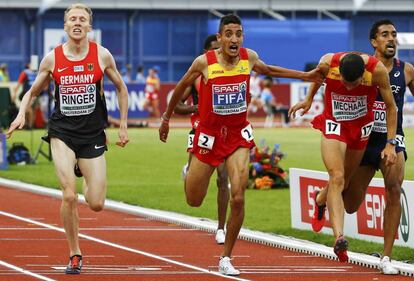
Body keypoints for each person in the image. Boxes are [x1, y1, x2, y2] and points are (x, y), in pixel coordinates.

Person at [159, 14, 322, 276]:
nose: (234, 39)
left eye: (239, 34)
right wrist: (166, 119)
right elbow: (180, 87)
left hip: (237, 135)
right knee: (194, 200)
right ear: (220, 38)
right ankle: (189, 173)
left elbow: (271, 71)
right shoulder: (204, 62)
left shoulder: (250, 57)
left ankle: (226, 257)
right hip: (208, 136)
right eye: (229, 34)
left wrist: (306, 75)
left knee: (238, 196)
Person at [6, 3, 129, 274]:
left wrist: (123, 126)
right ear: (65, 26)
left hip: (92, 133)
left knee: (96, 203)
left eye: (82, 19)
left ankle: (81, 167)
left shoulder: (102, 55)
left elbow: (121, 88)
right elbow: (32, 91)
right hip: (62, 132)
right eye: (72, 19)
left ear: (88, 26)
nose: (76, 23)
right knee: (69, 195)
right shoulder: (52, 59)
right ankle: (75, 253)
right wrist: (21, 114)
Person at [289, 52, 397, 263]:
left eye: (353, 84)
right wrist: (308, 99)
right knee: (337, 177)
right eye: (345, 83)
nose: (348, 88)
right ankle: (339, 237)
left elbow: (391, 107)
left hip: (361, 128)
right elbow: (317, 78)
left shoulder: (377, 71)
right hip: (334, 124)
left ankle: (320, 200)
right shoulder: (329, 62)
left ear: (363, 75)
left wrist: (390, 143)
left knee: (346, 182)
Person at [343, 20, 413, 274]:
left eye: (394, 34)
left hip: (393, 140)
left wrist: (392, 143)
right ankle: (326, 193)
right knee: (350, 204)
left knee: (394, 190)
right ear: (374, 41)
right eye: (385, 35)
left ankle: (386, 257)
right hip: (364, 140)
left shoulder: (406, 71)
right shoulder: (363, 67)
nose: (391, 39)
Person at [174, 34, 229, 245]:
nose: (219, 52)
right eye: (215, 49)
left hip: (224, 134)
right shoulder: (196, 75)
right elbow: (177, 105)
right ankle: (189, 173)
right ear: (206, 52)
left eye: (220, 49)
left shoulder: (230, 71)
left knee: (224, 180)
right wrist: (198, 107)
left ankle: (221, 228)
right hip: (199, 132)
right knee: (193, 197)